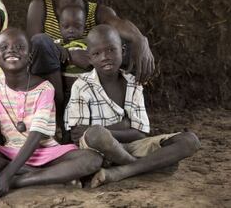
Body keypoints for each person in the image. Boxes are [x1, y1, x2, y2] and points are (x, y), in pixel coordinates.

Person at [27, 0, 155, 137]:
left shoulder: (98, 11)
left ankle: (128, 118)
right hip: (51, 76)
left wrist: (141, 40)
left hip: (88, 77)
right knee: (41, 41)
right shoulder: (40, 5)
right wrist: (69, 55)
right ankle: (60, 118)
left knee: (123, 48)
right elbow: (34, 48)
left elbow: (118, 24)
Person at [0, 28, 102, 201]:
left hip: (46, 153)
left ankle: (19, 181)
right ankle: (50, 177)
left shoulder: (45, 88)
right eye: (4, 47)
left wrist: (7, 176)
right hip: (10, 151)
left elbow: (36, 136)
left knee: (92, 159)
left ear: (29, 57)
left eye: (19, 47)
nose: (11, 50)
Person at [64, 25, 200, 187]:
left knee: (189, 140)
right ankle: (142, 167)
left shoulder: (133, 83)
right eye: (97, 53)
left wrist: (107, 130)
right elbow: (80, 135)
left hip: (131, 147)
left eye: (111, 50)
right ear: (89, 58)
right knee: (97, 134)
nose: (105, 57)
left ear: (123, 50)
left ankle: (121, 171)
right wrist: (124, 126)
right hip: (97, 151)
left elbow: (141, 134)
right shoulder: (82, 85)